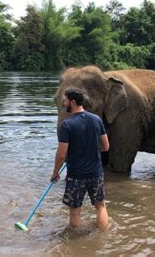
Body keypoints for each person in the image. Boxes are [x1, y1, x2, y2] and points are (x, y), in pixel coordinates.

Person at [51, 88, 110, 230]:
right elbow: (106, 146)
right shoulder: (97, 119)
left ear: (72, 101)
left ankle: (75, 242)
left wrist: (55, 172)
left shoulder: (67, 125)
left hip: (76, 175)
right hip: (96, 173)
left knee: (75, 209)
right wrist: (89, 151)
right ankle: (103, 237)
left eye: (65, 100)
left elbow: (61, 155)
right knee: (100, 206)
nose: (64, 103)